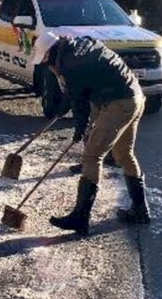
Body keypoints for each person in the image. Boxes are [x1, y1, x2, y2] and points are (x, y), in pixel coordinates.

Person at [32, 33, 151, 235]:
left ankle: (80, 218)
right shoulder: (79, 46)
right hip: (135, 97)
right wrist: (61, 111)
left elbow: (80, 106)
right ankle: (140, 210)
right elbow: (77, 92)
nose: (47, 65)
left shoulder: (69, 64)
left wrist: (79, 132)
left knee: (92, 156)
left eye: (44, 60)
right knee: (124, 154)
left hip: (118, 103)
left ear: (49, 54)